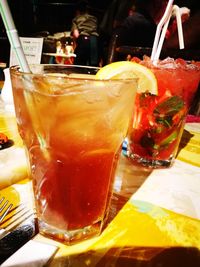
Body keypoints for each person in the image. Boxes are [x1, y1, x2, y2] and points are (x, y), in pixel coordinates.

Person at [71, 0, 99, 66]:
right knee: (93, 64)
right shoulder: (94, 18)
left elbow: (76, 34)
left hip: (84, 40)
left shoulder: (76, 19)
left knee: (79, 65)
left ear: (77, 11)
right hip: (95, 40)